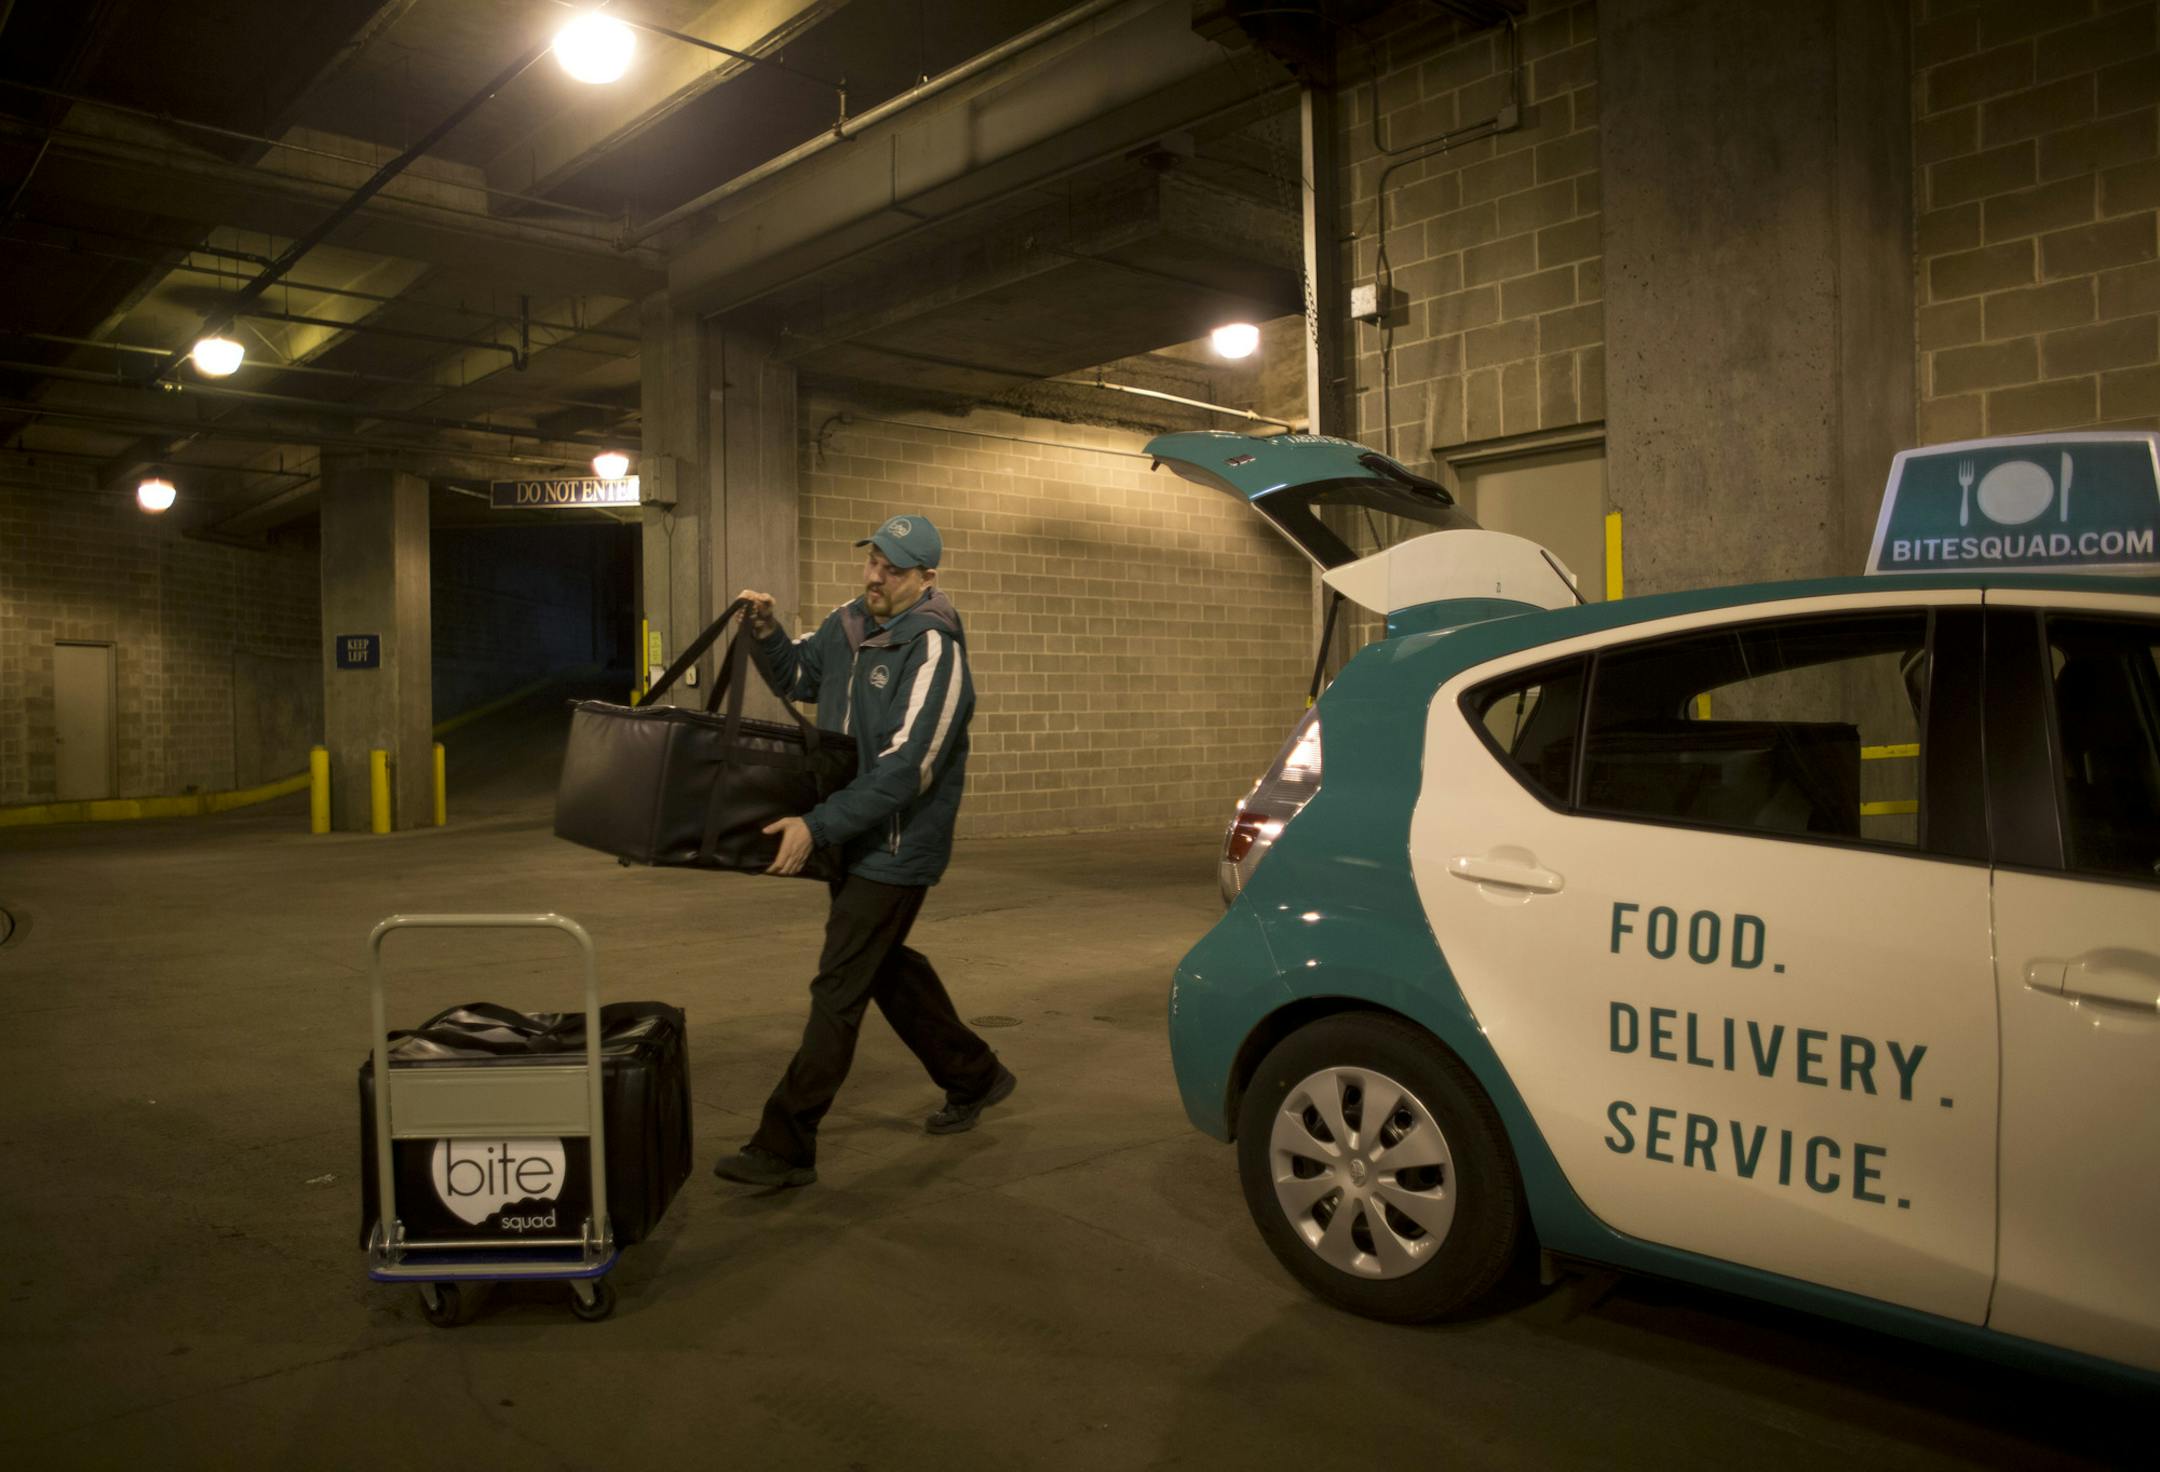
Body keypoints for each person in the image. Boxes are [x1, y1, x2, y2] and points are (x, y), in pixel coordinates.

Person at [712, 513, 1015, 1189]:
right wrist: (764, 631)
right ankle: (976, 1074)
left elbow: (908, 769)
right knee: (880, 967)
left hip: (898, 846)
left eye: (893, 569)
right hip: (851, 835)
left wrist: (815, 826)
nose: (875, 577)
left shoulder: (936, 652)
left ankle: (785, 1144)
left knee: (839, 986)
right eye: (873, 561)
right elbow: (797, 677)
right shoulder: (848, 622)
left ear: (926, 578)